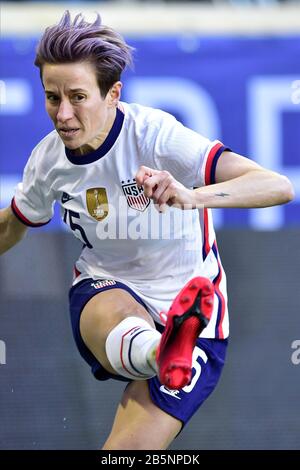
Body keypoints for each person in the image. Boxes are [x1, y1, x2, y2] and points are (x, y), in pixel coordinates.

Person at [0, 11, 294, 450]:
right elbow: (13, 225)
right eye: (51, 97)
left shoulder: (156, 136)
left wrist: (193, 195)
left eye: (77, 97)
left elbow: (277, 185)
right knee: (109, 302)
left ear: (113, 94)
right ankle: (162, 352)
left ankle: (172, 345)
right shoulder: (48, 162)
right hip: (109, 288)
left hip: (196, 308)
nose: (62, 114)